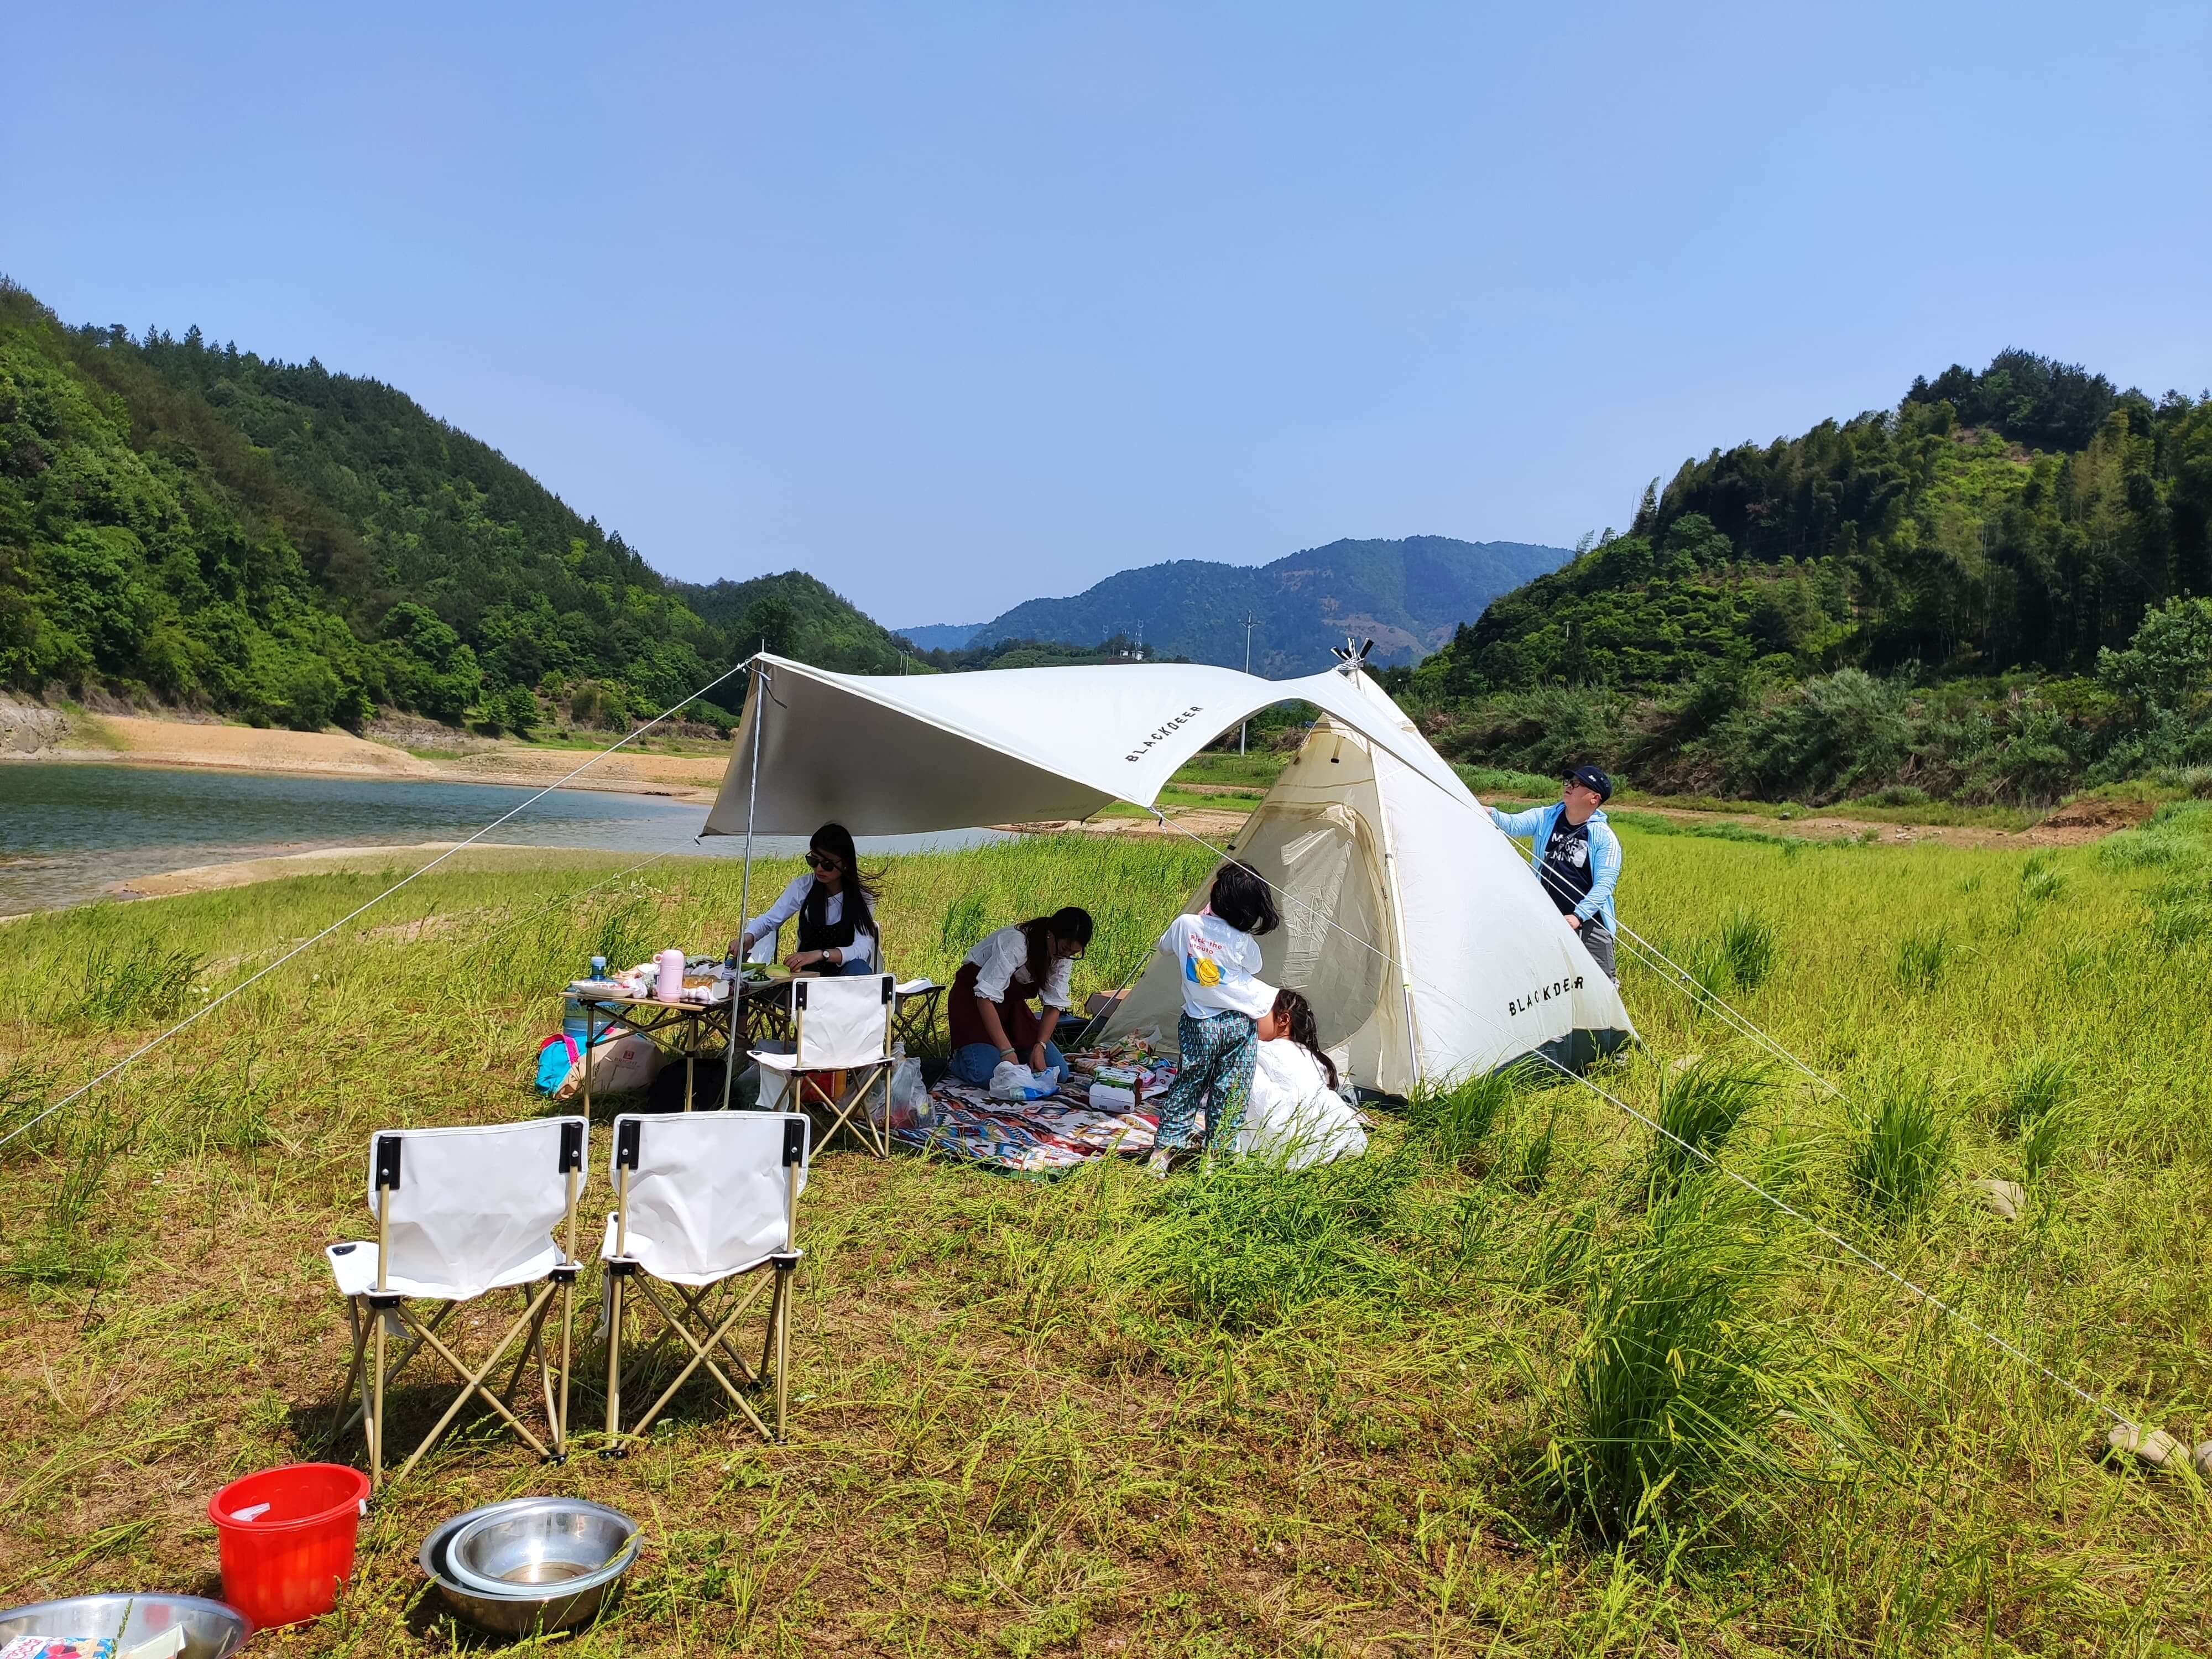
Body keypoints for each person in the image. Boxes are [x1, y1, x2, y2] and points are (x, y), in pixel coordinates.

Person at [1145, 860, 1280, 1172]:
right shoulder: (1242, 940)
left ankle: (1162, 1154)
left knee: (1188, 1084)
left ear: (1216, 893)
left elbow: (1165, 947)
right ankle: (1216, 1159)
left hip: (1199, 1024)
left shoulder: (1185, 925)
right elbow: (1255, 967)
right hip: (1238, 1022)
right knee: (1231, 1087)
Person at [1488, 764, 1621, 982]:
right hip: (1547, 916)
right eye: (1569, 782)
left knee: (1602, 985)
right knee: (1544, 982)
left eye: (1577, 784)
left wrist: (1578, 916)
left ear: (1594, 798)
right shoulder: (1545, 817)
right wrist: (1488, 812)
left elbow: (1605, 885)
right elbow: (1511, 824)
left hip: (1590, 923)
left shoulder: (1604, 837)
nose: (1569, 786)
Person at [947, 907, 1094, 1088]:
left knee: (1059, 1073)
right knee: (988, 1076)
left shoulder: (1062, 955)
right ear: (1051, 934)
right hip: (974, 1003)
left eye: (1073, 954)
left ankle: (1013, 1054)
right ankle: (957, 1058)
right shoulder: (1016, 943)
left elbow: (1053, 1005)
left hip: (1011, 1007)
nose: (1066, 956)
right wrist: (1006, 1051)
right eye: (1064, 949)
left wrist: (1040, 1046)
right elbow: (984, 998)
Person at [1240, 988, 1368, 1169]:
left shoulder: (1259, 1050)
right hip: (1333, 1133)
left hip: (1284, 1137)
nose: (1250, 1019)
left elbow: (1259, 1098)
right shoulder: (1312, 1056)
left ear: (1283, 1020)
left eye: (1259, 1013)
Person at [732, 822, 881, 976]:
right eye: (813, 861)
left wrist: (820, 954)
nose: (819, 869)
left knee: (859, 968)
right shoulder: (803, 886)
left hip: (845, 976)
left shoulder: (862, 896)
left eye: (827, 864)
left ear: (845, 864)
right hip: (808, 975)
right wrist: (749, 937)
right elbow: (770, 919)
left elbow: (862, 950)